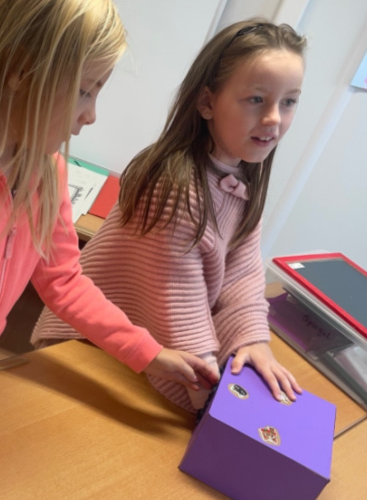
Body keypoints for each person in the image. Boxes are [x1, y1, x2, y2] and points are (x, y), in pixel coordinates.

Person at [0, 0, 220, 493]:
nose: (91, 115)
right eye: (83, 91)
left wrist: (148, 352)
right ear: (18, 71)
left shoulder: (44, 167)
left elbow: (64, 281)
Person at [33, 18, 306, 413]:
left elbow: (243, 275)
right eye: (256, 100)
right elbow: (178, 310)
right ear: (207, 102)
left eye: (289, 101)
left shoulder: (242, 180)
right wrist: (210, 400)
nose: (274, 118)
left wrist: (253, 339)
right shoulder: (175, 188)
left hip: (150, 357)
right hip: (87, 350)